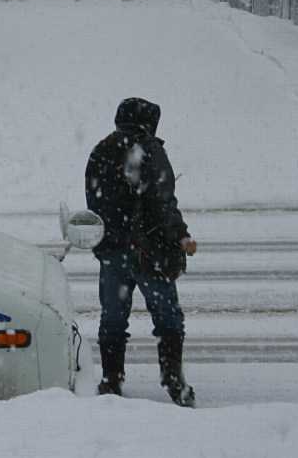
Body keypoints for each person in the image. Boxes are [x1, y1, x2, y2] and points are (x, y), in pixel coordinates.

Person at [85, 97, 198, 407]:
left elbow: (93, 204)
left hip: (112, 253)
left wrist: (105, 245)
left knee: (112, 319)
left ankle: (111, 382)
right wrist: (181, 236)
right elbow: (164, 201)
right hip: (149, 253)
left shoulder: (100, 150)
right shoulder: (150, 150)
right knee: (168, 317)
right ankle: (174, 382)